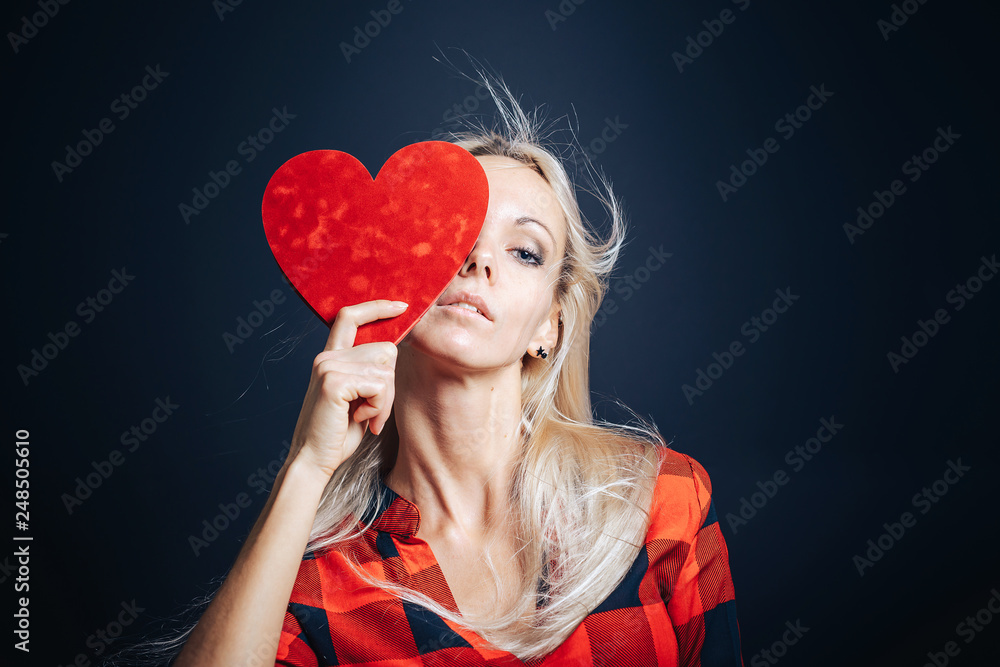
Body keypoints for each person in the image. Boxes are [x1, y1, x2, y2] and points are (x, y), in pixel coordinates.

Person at [172, 77, 743, 667]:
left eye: (525, 251)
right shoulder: (320, 583)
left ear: (550, 327)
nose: (479, 260)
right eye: (451, 234)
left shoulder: (660, 503)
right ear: (390, 275)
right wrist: (306, 467)